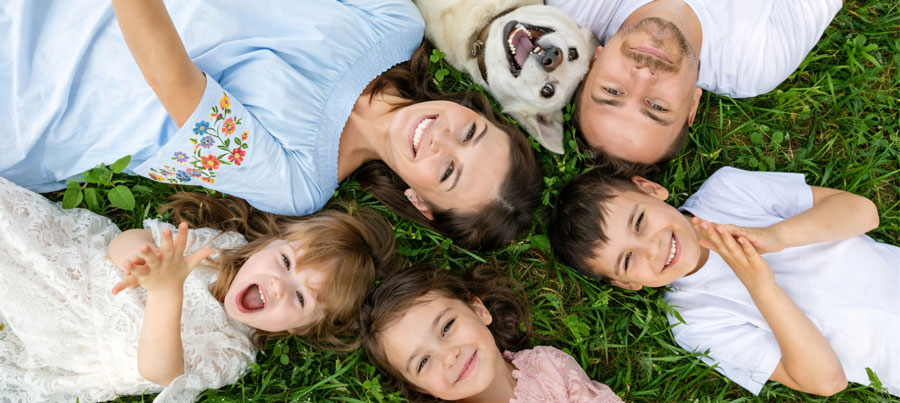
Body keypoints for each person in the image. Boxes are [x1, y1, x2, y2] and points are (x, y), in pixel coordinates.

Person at [0, 0, 542, 250]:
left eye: (448, 171)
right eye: (470, 132)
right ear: (478, 110)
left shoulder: (300, 181)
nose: (441, 136)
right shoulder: (395, 23)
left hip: (40, 95)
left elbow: (176, 85)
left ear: (421, 203)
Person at [0, 176, 398, 402]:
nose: (278, 285)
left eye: (300, 298)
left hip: (73, 341)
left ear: (302, 328)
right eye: (285, 262)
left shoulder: (231, 351)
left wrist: (165, 293)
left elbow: (159, 372)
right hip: (70, 268)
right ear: (263, 246)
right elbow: (119, 242)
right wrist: (139, 261)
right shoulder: (216, 249)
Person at [548, 167, 900, 397]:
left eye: (639, 222)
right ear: (627, 285)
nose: (652, 248)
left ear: (651, 189)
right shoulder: (694, 322)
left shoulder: (727, 192)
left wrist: (778, 235)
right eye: (628, 260)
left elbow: (863, 213)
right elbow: (827, 381)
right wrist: (763, 289)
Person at [546, 0, 843, 172]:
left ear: (593, 63)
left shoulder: (577, 5)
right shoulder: (756, 63)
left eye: (612, 91)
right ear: (692, 105)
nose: (643, 76)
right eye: (656, 106)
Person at [360, 264, 623, 402]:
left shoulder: (548, 366)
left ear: (478, 309)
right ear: (421, 389)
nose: (449, 356)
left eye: (447, 327)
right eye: (423, 362)